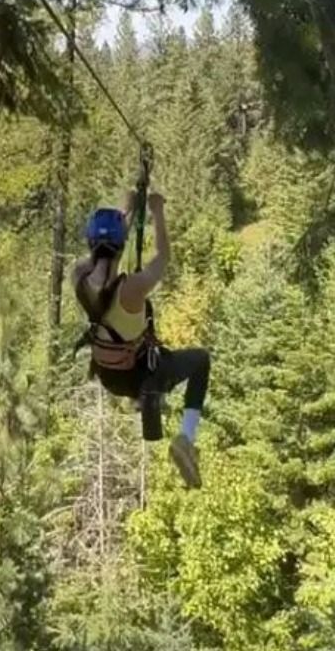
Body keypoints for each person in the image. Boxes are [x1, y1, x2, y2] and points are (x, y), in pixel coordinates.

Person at [73, 190, 209, 489]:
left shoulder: (80, 279)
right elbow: (163, 256)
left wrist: (128, 209)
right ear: (121, 244)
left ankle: (148, 399)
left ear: (90, 243)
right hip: (141, 373)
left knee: (145, 363)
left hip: (109, 376)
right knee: (201, 360)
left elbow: (108, 256)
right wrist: (157, 210)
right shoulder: (134, 288)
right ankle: (185, 438)